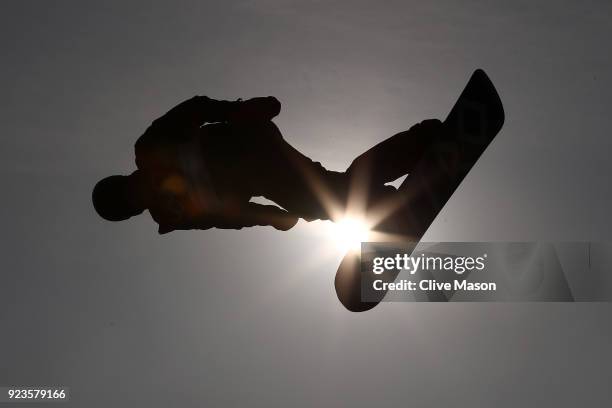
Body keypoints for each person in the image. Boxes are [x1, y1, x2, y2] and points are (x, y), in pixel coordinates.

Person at [92, 96, 445, 234]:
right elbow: (224, 216)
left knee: (322, 198)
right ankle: (397, 180)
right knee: (329, 197)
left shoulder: (149, 149)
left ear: (126, 178)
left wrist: (236, 110)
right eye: (132, 204)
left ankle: (417, 146)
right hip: (261, 178)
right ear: (134, 212)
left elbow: (192, 110)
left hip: (250, 142)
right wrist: (268, 217)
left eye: (129, 190)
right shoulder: (171, 214)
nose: (139, 195)